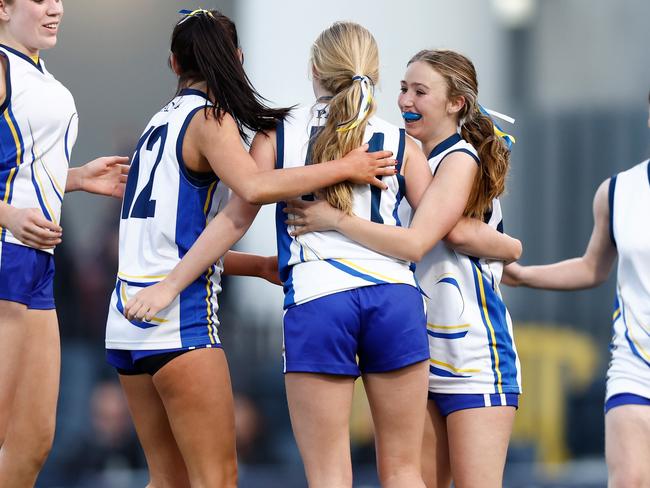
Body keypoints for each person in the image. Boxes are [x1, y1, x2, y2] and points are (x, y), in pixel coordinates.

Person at [107, 10, 395, 488]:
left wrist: (257, 266)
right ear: (237, 60)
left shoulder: (155, 124)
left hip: (126, 320)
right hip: (177, 320)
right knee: (217, 479)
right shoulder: (208, 120)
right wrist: (345, 166)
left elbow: (168, 245)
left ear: (173, 64)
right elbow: (255, 187)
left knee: (166, 478)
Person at [286, 49, 522, 488]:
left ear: (456, 103)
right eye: (402, 88)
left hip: (474, 353)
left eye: (420, 91)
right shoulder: (401, 155)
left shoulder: (458, 157)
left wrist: (337, 218)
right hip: (420, 350)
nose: (405, 100)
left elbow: (445, 236)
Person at [0, 0, 129, 485]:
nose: (55, 8)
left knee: (34, 440)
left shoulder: (39, 73)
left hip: (38, 266)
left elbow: (17, 168)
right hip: (5, 257)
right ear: (4, 8)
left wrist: (73, 178)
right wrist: (8, 214)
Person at [502, 91, 650, 488]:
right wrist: (523, 275)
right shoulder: (618, 192)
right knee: (630, 480)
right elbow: (591, 268)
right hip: (635, 366)